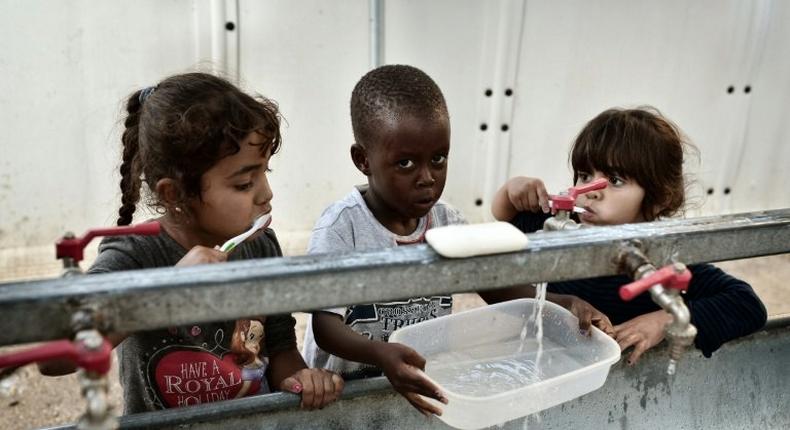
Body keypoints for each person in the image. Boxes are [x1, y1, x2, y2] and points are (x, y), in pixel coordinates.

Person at [302, 65, 612, 417]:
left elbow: (495, 285)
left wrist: (560, 302)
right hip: (344, 395)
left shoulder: (448, 221)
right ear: (363, 160)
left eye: (438, 158)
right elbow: (325, 327)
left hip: (418, 384)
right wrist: (380, 353)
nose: (427, 178)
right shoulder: (344, 227)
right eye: (405, 163)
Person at [40, 72, 343, 413]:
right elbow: (56, 359)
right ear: (175, 193)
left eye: (265, 173)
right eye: (244, 183)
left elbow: (281, 349)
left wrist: (300, 379)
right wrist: (163, 292)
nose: (267, 194)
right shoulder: (135, 254)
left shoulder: (260, 247)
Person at [492, 106, 767, 366]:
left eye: (615, 181)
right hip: (548, 368)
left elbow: (747, 305)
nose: (592, 190)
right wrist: (510, 191)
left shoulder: (663, 259)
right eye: (585, 175)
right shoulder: (559, 227)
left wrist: (664, 321)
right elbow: (505, 224)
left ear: (659, 197)